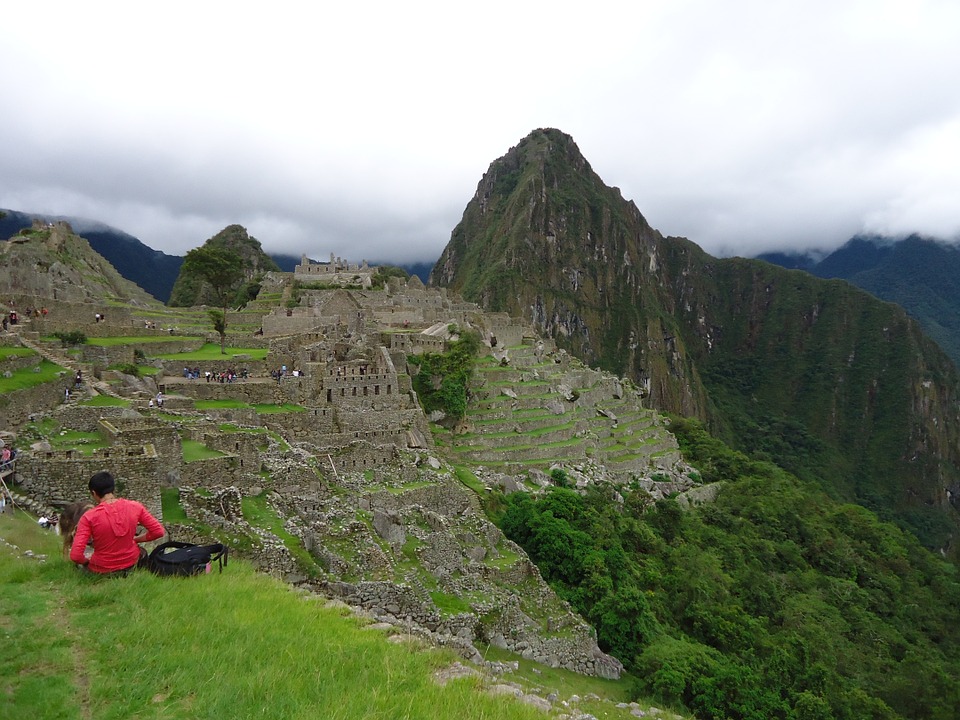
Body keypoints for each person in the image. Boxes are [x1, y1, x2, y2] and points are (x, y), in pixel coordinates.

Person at [70, 471, 165, 574]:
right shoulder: (135, 507)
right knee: (142, 552)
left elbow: (76, 555)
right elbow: (158, 531)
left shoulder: (88, 517)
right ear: (113, 489)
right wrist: (136, 540)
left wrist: (87, 562)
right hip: (132, 563)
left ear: (94, 493)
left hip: (101, 569)